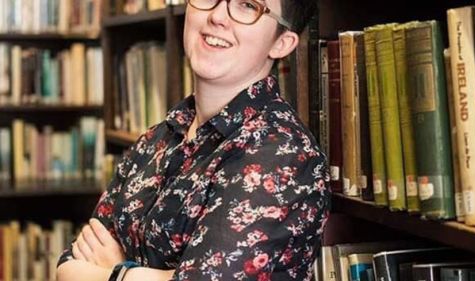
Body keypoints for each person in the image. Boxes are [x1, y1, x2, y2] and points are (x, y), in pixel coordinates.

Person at [56, 0, 330, 280]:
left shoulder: (285, 156)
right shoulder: (158, 137)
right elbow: (68, 265)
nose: (217, 16)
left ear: (282, 43)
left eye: (248, 5)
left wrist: (118, 272)